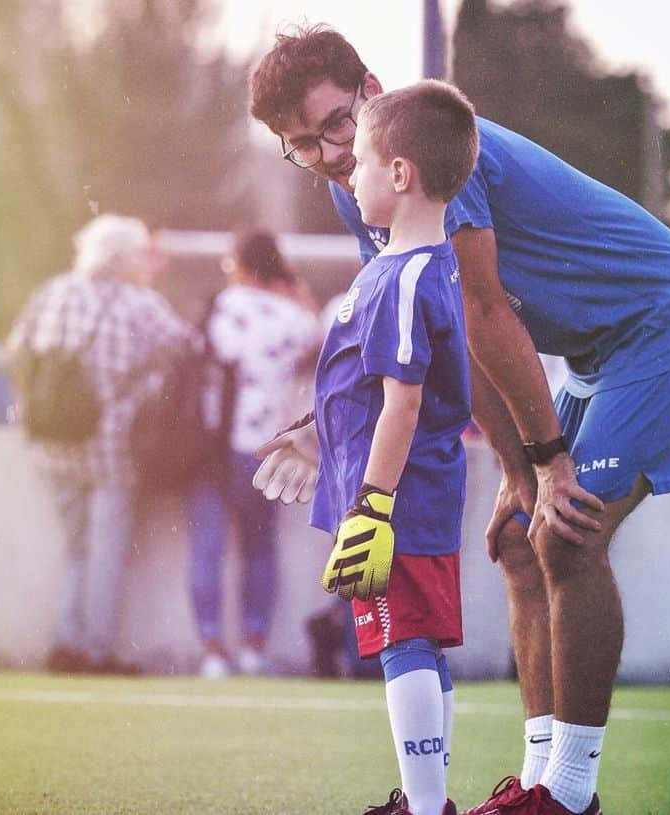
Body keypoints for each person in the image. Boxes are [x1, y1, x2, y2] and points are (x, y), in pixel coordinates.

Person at [249, 25, 670, 815]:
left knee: (568, 531)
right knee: (521, 539)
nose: (328, 154)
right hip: (592, 353)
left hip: (663, 323)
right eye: (301, 145)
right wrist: (517, 470)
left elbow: (485, 309)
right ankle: (535, 785)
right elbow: (429, 330)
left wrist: (549, 459)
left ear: (372, 90)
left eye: (335, 126)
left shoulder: (448, 155)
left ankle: (570, 794)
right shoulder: (357, 189)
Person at [258, 79, 479, 815]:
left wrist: (374, 504)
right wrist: (321, 439)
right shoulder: (395, 269)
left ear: (400, 174)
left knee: (403, 641)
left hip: (402, 497)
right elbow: (364, 391)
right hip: (404, 490)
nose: (347, 174)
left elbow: (404, 399)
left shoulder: (408, 276)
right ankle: (429, 796)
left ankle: (425, 806)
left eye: (361, 163)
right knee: (415, 642)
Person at [8, 214, 195, 675]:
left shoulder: (53, 292)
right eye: (139, 255)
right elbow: (186, 345)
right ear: (119, 258)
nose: (146, 263)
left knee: (74, 548)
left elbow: (18, 348)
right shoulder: (139, 303)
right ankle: (96, 649)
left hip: (54, 441)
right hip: (112, 444)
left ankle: (64, 644)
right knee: (106, 550)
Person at [188, 229, 319, 678]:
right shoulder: (293, 318)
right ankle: (253, 645)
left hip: (212, 446)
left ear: (238, 265)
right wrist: (295, 291)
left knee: (207, 548)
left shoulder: (222, 308)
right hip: (267, 449)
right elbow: (320, 339)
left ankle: (211, 650)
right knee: (260, 550)